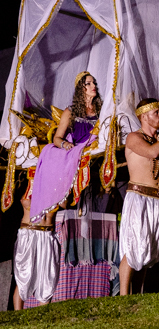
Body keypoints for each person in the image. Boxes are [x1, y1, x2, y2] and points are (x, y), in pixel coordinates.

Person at [119, 98, 159, 295]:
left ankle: (137, 296)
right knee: (132, 248)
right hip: (138, 197)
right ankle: (123, 297)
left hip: (157, 200)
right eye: (156, 113)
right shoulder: (133, 137)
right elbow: (152, 153)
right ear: (144, 116)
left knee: (147, 250)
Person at [28, 71, 101, 225]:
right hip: (74, 147)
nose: (93, 86)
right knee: (53, 154)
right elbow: (57, 138)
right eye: (88, 83)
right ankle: (60, 196)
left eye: (93, 82)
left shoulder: (102, 110)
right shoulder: (70, 111)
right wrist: (65, 144)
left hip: (94, 146)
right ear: (81, 89)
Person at [12, 170, 60, 309]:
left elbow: (65, 203)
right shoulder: (30, 180)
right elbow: (24, 200)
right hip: (29, 233)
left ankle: (42, 317)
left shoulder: (57, 185)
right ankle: (17, 316)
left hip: (47, 235)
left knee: (48, 278)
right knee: (24, 276)